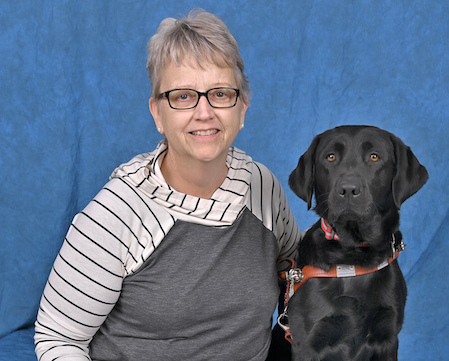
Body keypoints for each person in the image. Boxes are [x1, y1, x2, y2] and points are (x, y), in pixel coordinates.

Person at [34, 9, 300, 361]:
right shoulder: (116, 215)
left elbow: (294, 269)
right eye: (183, 96)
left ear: (242, 109)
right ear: (158, 113)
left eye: (220, 93)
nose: (204, 112)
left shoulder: (262, 187)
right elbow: (57, 339)